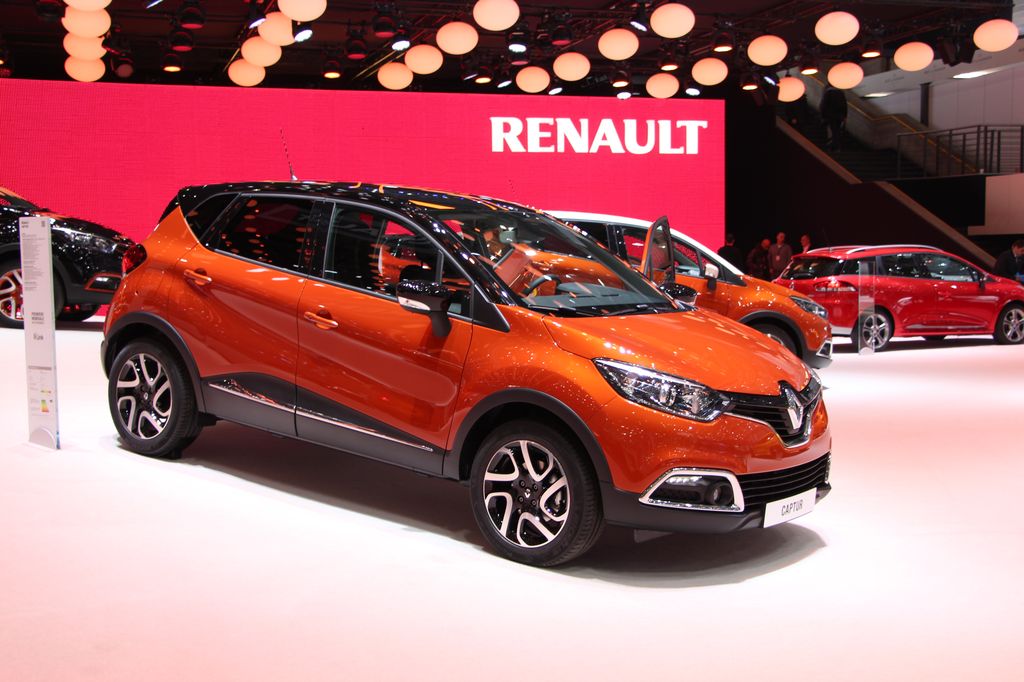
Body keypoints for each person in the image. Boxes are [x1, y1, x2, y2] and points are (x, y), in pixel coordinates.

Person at [820, 85, 848, 151]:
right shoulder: (841, 93)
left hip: (830, 116)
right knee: (837, 130)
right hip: (839, 116)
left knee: (832, 130)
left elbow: (823, 105)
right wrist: (844, 116)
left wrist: (823, 115)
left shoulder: (828, 93)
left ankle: (833, 145)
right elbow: (844, 105)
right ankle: (836, 145)